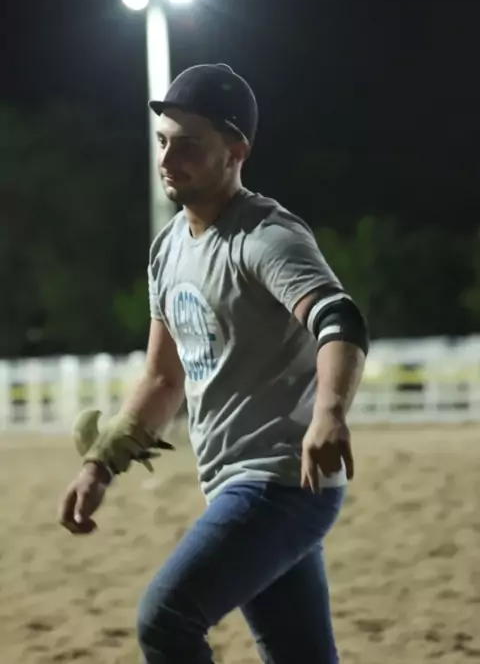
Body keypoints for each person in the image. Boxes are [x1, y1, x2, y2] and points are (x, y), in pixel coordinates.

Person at [58, 63, 368, 664]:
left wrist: (330, 412)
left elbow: (340, 319)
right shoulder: (168, 247)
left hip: (280, 483)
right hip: (234, 484)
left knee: (165, 620)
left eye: (189, 145)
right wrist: (101, 465)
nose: (168, 159)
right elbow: (162, 378)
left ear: (236, 152)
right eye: (162, 142)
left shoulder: (266, 236)